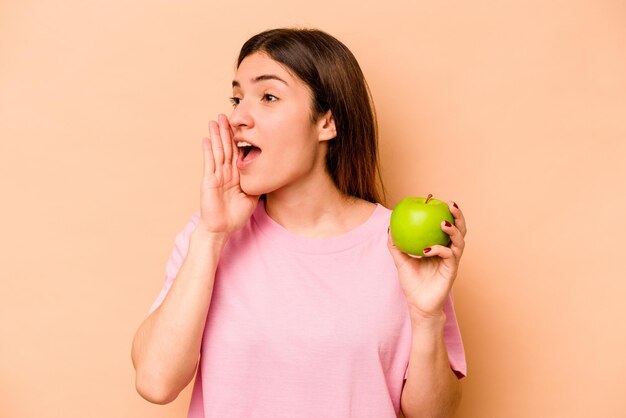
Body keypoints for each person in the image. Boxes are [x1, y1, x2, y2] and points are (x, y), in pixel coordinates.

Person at [131, 27, 467, 418]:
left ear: (327, 122)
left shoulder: (398, 245)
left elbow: (433, 416)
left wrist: (428, 318)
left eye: (268, 96)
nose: (238, 116)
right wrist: (211, 235)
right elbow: (155, 383)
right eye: (237, 98)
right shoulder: (210, 233)